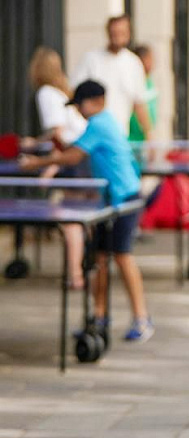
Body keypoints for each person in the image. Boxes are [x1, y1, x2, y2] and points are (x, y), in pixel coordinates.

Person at [19, 81, 153, 342]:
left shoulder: (100, 123)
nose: (78, 111)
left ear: (94, 102)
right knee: (101, 259)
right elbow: (69, 147)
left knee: (123, 257)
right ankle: (99, 318)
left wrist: (37, 162)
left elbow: (72, 156)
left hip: (125, 198)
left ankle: (142, 318)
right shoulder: (99, 124)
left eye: (79, 105)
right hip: (110, 200)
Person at [26, 46, 89, 289]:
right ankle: (87, 268)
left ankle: (75, 275)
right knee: (83, 216)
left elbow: (59, 135)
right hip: (83, 156)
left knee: (71, 220)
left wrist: (49, 168)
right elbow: (58, 131)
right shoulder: (62, 91)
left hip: (73, 159)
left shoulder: (45, 93)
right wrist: (37, 142)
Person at [72, 15, 151, 139]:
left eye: (121, 32)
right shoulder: (91, 59)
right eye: (114, 32)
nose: (117, 36)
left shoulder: (133, 63)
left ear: (128, 33)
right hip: (91, 134)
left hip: (120, 135)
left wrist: (148, 135)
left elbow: (139, 103)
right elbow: (74, 96)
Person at [127, 44, 158, 145]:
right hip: (132, 140)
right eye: (149, 58)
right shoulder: (132, 83)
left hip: (145, 140)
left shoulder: (150, 82)